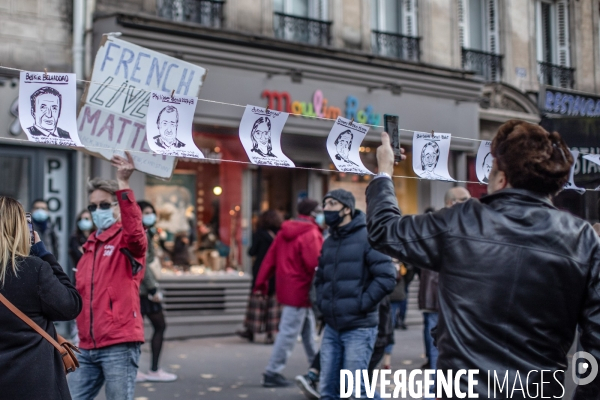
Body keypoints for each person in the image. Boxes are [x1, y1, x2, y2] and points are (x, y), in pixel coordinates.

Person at [366, 119, 600, 398]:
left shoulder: (461, 221)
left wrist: (384, 171)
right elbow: (596, 341)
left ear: (502, 177)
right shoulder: (583, 239)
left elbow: (384, 230)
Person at [68, 152, 148, 400]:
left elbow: (135, 232)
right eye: (93, 206)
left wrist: (124, 185)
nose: (97, 211)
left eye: (104, 205)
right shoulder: (90, 245)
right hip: (86, 345)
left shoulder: (127, 240)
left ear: (117, 207)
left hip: (118, 344)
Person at [313, 189, 396, 400]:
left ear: (347, 209)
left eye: (332, 204)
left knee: (355, 390)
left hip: (359, 327)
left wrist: (362, 303)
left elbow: (386, 277)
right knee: (328, 390)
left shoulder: (369, 237)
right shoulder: (329, 241)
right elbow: (320, 278)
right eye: (325, 204)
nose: (326, 209)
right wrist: (321, 305)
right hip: (332, 326)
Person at [0, 196, 82, 400]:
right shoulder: (33, 269)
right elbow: (71, 305)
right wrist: (44, 254)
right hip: (34, 383)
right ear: (20, 228)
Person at [254, 198, 324, 387]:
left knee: (308, 333)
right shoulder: (311, 233)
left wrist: (260, 283)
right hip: (303, 289)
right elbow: (316, 264)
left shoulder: (285, 231)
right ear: (312, 214)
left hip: (288, 288)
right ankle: (272, 372)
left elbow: (269, 259)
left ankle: (318, 369)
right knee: (289, 333)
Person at [136, 201, 177, 383]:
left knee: (139, 330)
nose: (150, 215)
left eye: (152, 212)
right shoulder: (140, 233)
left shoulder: (146, 232)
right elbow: (142, 263)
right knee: (157, 326)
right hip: (144, 290)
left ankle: (144, 369)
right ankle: (151, 369)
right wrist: (153, 288)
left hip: (141, 289)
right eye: (146, 212)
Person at [237, 210, 283, 344]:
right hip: (276, 272)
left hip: (261, 272)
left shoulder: (260, 234)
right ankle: (271, 334)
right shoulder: (281, 234)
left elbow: (251, 252)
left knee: (257, 301)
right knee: (273, 303)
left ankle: (251, 330)